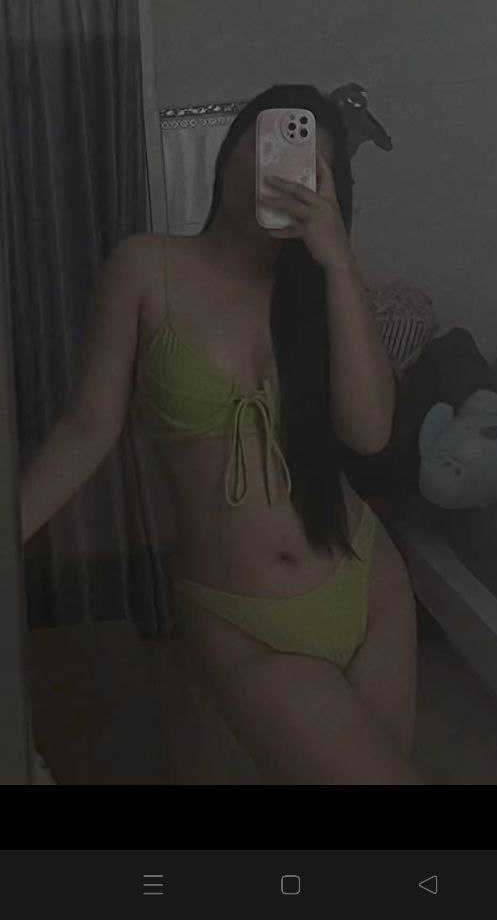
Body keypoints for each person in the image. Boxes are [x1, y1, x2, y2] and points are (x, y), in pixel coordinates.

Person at [20, 83, 419, 785]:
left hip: (368, 585)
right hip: (242, 621)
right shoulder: (145, 267)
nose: (281, 170)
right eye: (267, 145)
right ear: (228, 152)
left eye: (309, 166)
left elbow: (369, 432)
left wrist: (338, 261)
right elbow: (86, 429)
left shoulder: (319, 291)